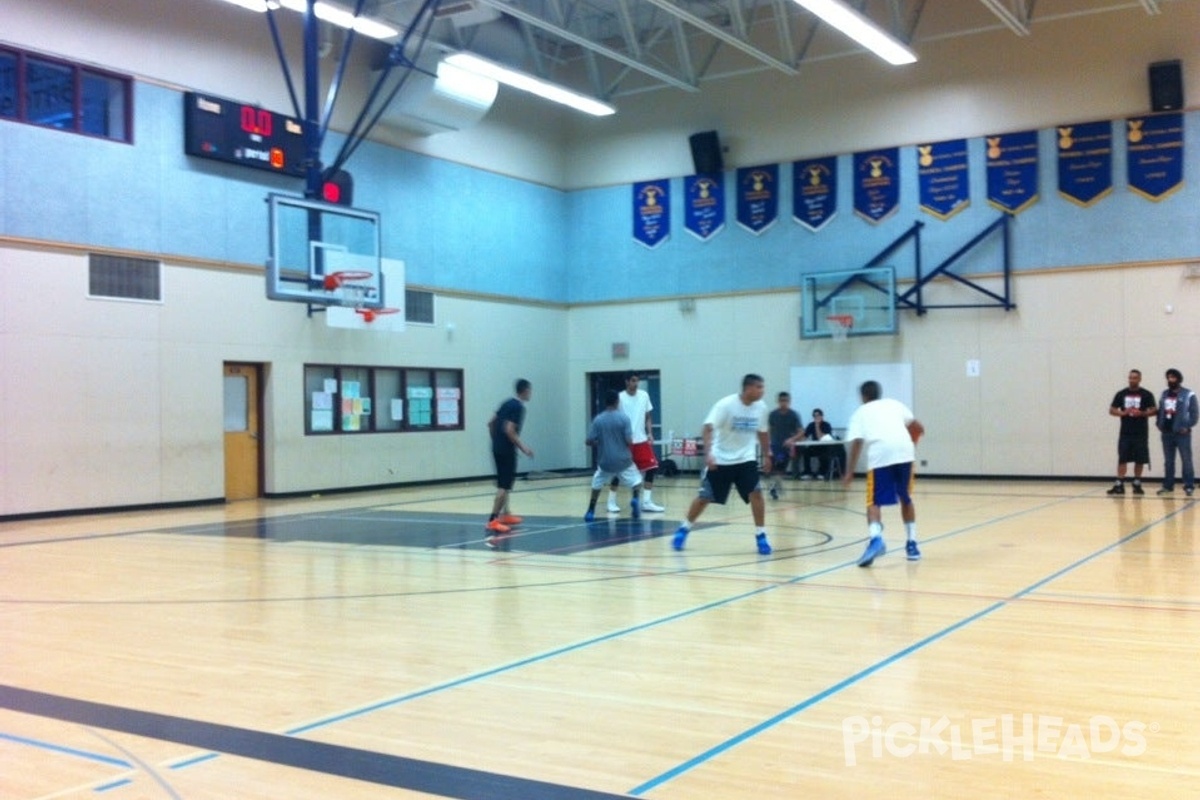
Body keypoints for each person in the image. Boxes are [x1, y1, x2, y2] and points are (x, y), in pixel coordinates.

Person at [672, 374, 773, 556]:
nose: (762, 391)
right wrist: (709, 453)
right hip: (721, 459)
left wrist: (767, 455)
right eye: (759, 387)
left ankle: (761, 535)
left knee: (756, 493)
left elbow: (763, 432)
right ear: (748, 388)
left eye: (762, 387)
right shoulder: (726, 405)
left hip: (746, 459)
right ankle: (684, 529)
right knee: (704, 498)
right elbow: (707, 428)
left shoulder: (761, 408)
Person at [841, 380, 924, 566]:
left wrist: (850, 471)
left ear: (863, 396)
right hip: (905, 454)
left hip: (881, 456)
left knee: (873, 501)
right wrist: (910, 447)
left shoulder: (860, 412)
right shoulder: (895, 404)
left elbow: (857, 443)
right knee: (906, 498)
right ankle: (912, 545)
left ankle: (876, 539)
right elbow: (918, 428)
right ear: (879, 393)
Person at [606, 373, 666, 513]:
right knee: (618, 471)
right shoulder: (619, 398)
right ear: (627, 382)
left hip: (641, 440)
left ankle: (646, 502)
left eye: (637, 381)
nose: (636, 383)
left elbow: (648, 416)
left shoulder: (644, 395)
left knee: (652, 467)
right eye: (633, 381)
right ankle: (611, 502)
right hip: (624, 441)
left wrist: (650, 433)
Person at [485, 379, 534, 543]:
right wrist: (523, 448)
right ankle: (493, 520)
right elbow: (509, 430)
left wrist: (496, 441)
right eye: (530, 391)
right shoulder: (518, 407)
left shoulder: (506, 403)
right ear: (525, 391)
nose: (530, 394)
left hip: (497, 447)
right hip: (506, 449)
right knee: (503, 486)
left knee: (505, 482)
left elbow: (491, 423)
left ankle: (506, 514)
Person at [585, 390, 643, 521]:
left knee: (597, 483)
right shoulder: (624, 418)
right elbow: (629, 441)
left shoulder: (598, 420)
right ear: (617, 402)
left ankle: (590, 510)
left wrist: (600, 442)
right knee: (637, 480)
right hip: (623, 460)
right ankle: (635, 498)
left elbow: (588, 441)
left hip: (605, 461)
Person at [1107, 369, 1157, 495]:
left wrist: (1143, 413)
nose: (1132, 380)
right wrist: (1122, 413)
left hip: (1140, 432)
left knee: (1139, 458)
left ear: (1139, 379)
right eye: (1130, 378)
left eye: (1135, 378)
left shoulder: (1146, 394)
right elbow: (1112, 410)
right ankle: (1119, 483)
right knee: (1122, 458)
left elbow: (1154, 410)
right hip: (1125, 432)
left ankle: (1137, 483)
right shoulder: (1121, 394)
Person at [1155, 368, 1198, 497]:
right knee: (1168, 461)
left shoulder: (1188, 394)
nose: (1170, 380)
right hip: (1166, 433)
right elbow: (1160, 410)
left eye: (1173, 377)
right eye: (1168, 378)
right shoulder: (1164, 394)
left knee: (1186, 460)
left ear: (1178, 379)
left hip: (1182, 433)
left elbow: (1195, 414)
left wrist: (1188, 425)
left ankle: (1189, 486)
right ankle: (1168, 486)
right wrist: (1159, 423)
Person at [789, 408, 835, 480]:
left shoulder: (827, 425)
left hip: (825, 446)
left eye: (818, 415)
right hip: (815, 446)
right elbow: (804, 436)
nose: (816, 417)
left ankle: (822, 472)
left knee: (824, 455)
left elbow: (820, 437)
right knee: (806, 452)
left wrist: (817, 425)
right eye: (814, 416)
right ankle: (807, 472)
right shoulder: (811, 425)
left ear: (822, 416)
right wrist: (796, 440)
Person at [767, 391, 802, 477]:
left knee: (780, 467)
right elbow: (769, 430)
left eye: (786, 400)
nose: (783, 403)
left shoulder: (794, 415)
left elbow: (801, 432)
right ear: (778, 401)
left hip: (787, 447)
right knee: (772, 470)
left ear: (789, 401)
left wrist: (791, 439)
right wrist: (768, 445)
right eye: (781, 400)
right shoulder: (772, 414)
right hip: (775, 446)